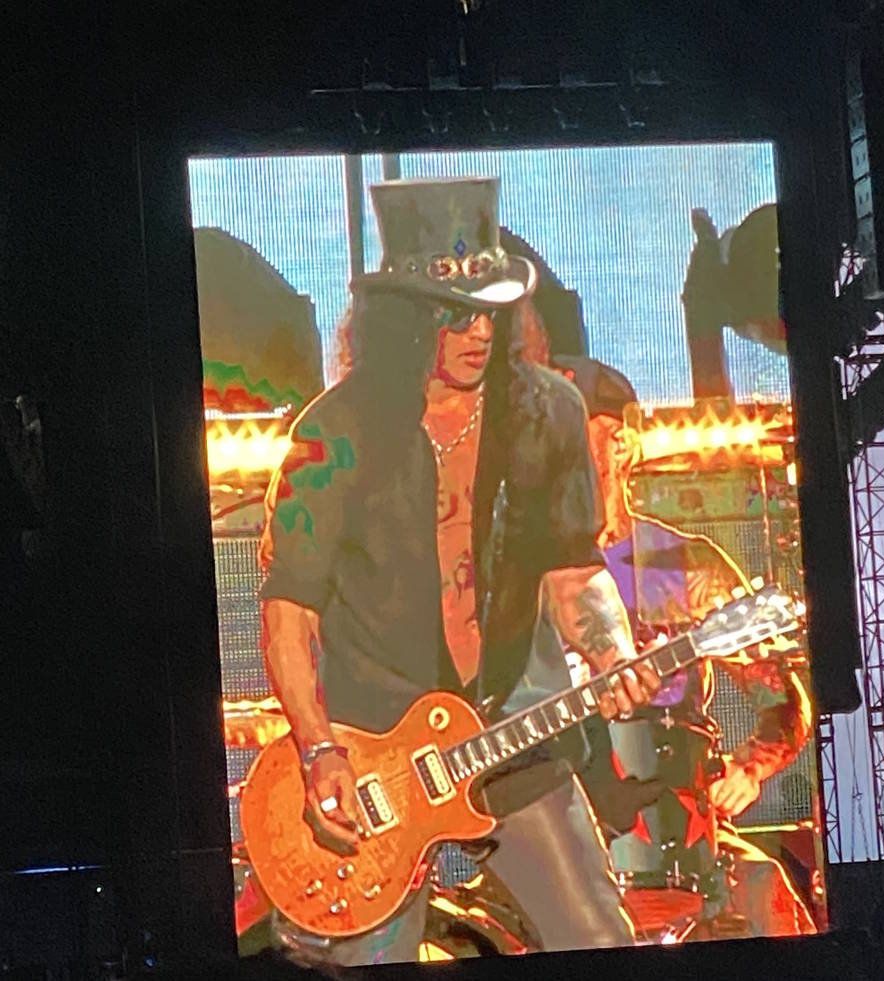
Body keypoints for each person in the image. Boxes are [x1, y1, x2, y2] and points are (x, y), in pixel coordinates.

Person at [257, 177, 658, 966]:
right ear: (403, 320)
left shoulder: (549, 413)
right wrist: (316, 748)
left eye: (490, 310)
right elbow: (287, 612)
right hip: (374, 757)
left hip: (510, 729)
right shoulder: (332, 434)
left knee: (602, 944)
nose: (478, 331)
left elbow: (574, 571)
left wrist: (613, 650)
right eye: (454, 313)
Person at [556, 353, 817, 939]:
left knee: (769, 899)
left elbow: (784, 698)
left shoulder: (685, 566)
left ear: (620, 446)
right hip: (555, 841)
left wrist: (749, 767)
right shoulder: (512, 578)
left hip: (683, 841)